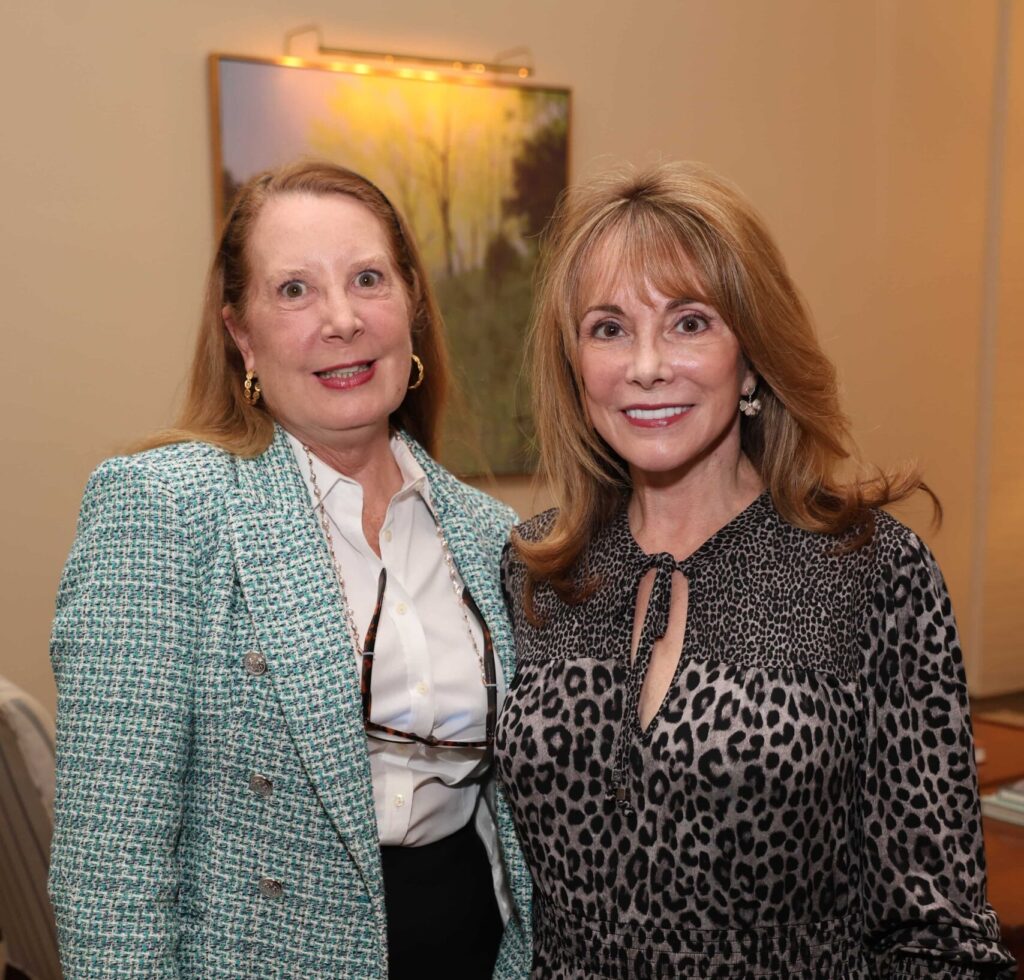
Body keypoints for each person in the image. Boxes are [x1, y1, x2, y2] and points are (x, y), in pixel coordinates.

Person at [494, 162, 1015, 979]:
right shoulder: (537, 570)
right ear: (575, 368)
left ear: (751, 359)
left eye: (690, 322)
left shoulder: (870, 570)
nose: (647, 365)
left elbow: (938, 935)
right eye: (608, 328)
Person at [49, 161, 532, 979]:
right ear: (242, 332)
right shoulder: (162, 509)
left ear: (411, 305)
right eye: (295, 291)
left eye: (368, 279)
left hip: (484, 953)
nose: (342, 321)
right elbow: (110, 869)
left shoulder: (493, 534)